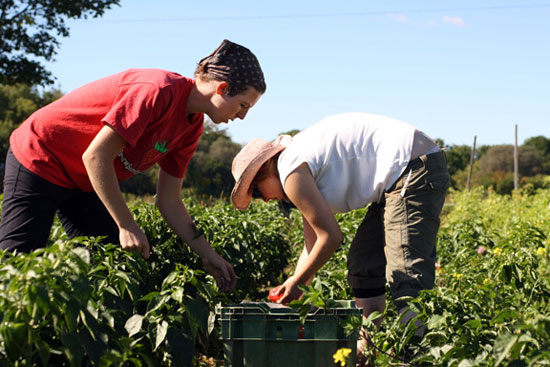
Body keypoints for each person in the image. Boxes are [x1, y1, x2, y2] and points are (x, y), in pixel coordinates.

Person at [0, 39, 266, 292]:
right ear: (221, 89)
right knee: (17, 266)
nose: (242, 116)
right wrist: (127, 225)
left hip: (84, 181)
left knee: (114, 266)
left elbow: (169, 200)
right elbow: (95, 156)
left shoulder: (192, 126)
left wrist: (209, 255)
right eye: (243, 105)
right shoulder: (157, 91)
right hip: (41, 158)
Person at [230, 112, 450, 362]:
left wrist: (298, 283)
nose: (267, 200)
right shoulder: (297, 168)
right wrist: (295, 285)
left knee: (405, 270)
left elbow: (331, 237)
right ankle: (367, 350)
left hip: (413, 166)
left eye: (258, 193)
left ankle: (416, 356)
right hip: (398, 175)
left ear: (264, 171)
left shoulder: (289, 169)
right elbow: (311, 244)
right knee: (363, 264)